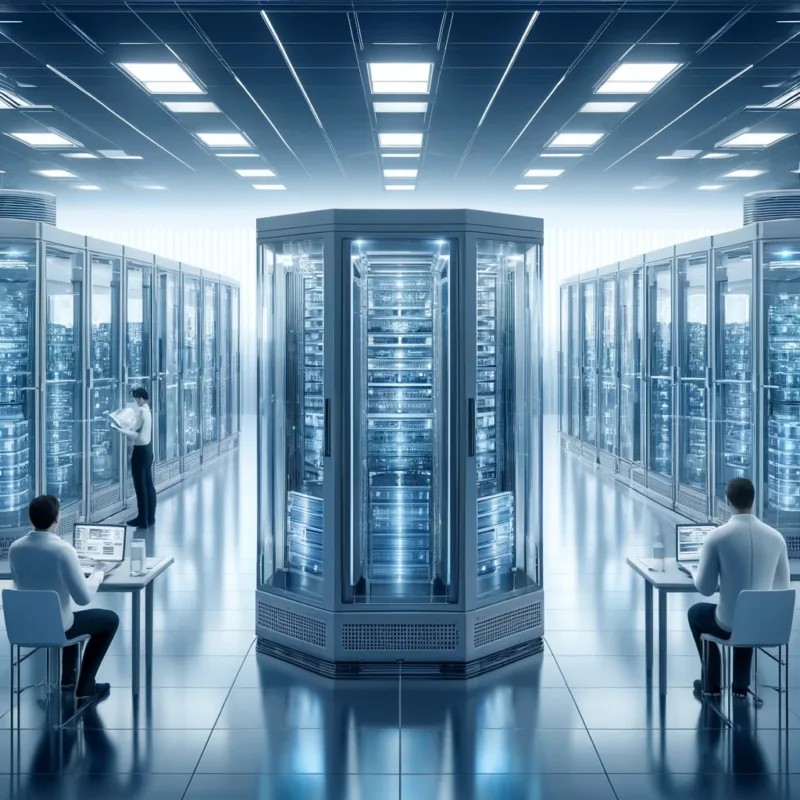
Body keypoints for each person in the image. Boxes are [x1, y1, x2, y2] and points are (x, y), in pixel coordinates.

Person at [688, 477, 790, 697]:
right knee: (750, 615)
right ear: (753, 500)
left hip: (727, 625)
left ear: (727, 501)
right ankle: (740, 686)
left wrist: (694, 572)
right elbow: (783, 587)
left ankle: (711, 683)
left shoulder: (717, 537)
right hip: (763, 624)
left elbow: (705, 589)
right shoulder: (777, 538)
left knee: (696, 613)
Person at [9, 495, 118, 699]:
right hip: (58, 628)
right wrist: (98, 572)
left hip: (23, 627)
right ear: (58, 518)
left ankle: (68, 679)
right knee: (109, 619)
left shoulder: (15, 549)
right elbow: (83, 598)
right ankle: (85, 686)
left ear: (31, 518)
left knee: (68, 616)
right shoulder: (63, 550)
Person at [112, 386, 155, 528]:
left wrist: (119, 428)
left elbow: (134, 432)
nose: (135, 401)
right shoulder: (148, 409)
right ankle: (150, 517)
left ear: (140, 398)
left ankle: (142, 519)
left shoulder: (141, 410)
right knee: (149, 486)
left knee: (140, 487)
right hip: (148, 451)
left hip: (140, 452)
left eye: (136, 398)